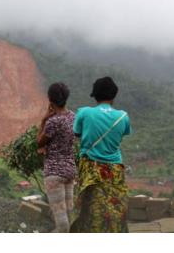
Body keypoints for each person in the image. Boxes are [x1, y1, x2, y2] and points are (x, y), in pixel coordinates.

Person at [70, 77, 132, 233]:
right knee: (115, 207)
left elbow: (76, 133)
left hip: (91, 168)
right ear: (114, 96)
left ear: (95, 95)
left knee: (91, 209)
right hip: (115, 170)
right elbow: (123, 134)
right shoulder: (123, 117)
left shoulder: (84, 113)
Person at [37, 82, 76, 233]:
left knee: (61, 222)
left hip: (54, 173)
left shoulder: (52, 121)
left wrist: (43, 120)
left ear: (50, 100)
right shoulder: (73, 117)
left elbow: (39, 142)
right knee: (68, 214)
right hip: (70, 171)